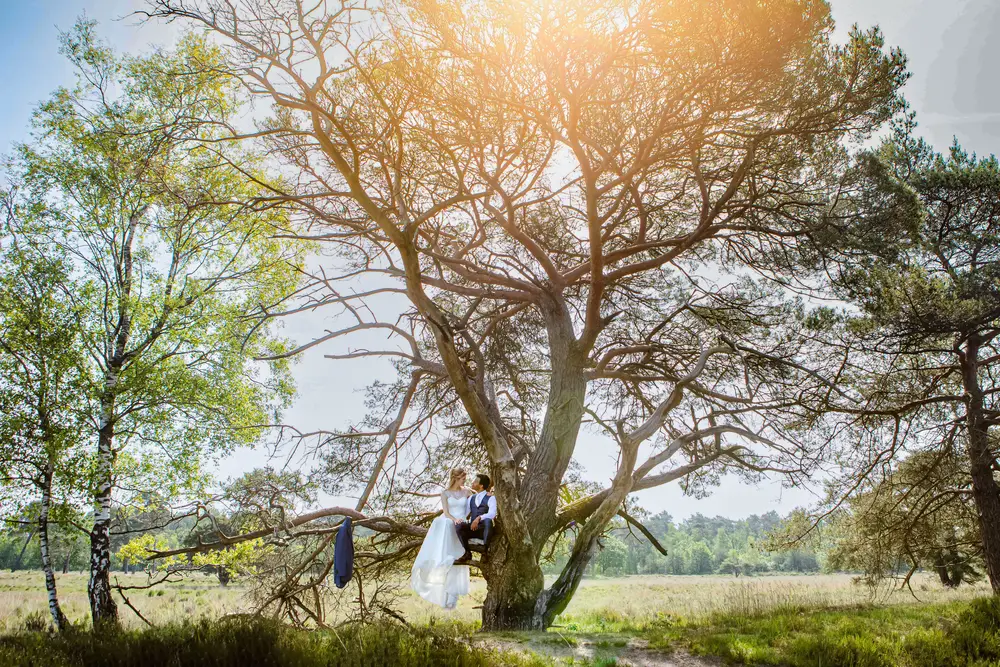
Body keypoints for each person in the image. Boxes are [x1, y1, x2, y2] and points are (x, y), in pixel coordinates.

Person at [410, 468, 472, 609]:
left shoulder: (467, 492)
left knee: (458, 555)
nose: (465, 481)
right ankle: (444, 593)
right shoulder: (445, 493)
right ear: (456, 478)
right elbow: (446, 512)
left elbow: (476, 502)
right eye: (463, 478)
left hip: (462, 522)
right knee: (446, 524)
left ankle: (452, 596)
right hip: (451, 520)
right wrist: (455, 520)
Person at [456, 473, 496, 564]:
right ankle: (467, 552)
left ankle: (485, 552)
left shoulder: (491, 498)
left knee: (488, 520)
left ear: (481, 485)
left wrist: (479, 518)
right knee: (459, 525)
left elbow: (492, 514)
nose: (472, 483)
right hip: (473, 529)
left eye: (475, 482)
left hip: (484, 530)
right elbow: (465, 514)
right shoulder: (471, 498)